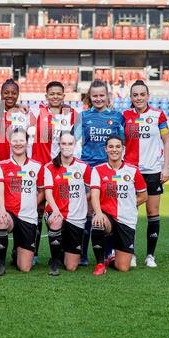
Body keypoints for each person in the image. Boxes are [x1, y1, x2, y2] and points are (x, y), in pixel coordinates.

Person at [75, 80, 125, 265]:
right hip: (89, 171)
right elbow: (72, 140)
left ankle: (108, 252)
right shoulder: (83, 116)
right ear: (90, 97)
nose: (98, 98)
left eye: (101, 95)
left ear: (107, 96)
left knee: (109, 210)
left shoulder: (117, 117)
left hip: (110, 172)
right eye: (94, 95)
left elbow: (123, 143)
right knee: (88, 212)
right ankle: (83, 255)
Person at [29, 81, 80, 264]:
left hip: (62, 169)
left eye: (59, 93)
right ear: (46, 96)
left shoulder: (73, 114)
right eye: (52, 94)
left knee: (62, 207)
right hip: (41, 169)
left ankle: (62, 251)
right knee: (38, 209)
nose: (55, 96)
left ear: (64, 96)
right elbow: (15, 117)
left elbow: (78, 138)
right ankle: (32, 252)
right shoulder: (37, 112)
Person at [123, 80, 169, 267]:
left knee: (152, 212)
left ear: (148, 96)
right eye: (135, 95)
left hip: (152, 171)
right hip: (131, 172)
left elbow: (166, 141)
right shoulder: (125, 115)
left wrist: (165, 168)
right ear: (131, 98)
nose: (139, 98)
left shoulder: (158, 115)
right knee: (129, 212)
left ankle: (150, 255)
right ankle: (131, 253)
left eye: (142, 94)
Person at [90, 135, 148, 275]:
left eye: (117, 146)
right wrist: (98, 212)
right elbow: (95, 195)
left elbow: (143, 196)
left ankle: (110, 259)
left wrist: (127, 205)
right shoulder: (98, 170)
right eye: (111, 146)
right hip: (107, 215)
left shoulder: (133, 170)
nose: (114, 150)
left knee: (123, 267)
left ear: (123, 149)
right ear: (105, 149)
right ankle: (100, 263)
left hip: (126, 218)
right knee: (97, 222)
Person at [0, 79, 30, 264]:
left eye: (14, 92)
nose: (10, 95)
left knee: (16, 205)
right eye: (6, 92)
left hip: (16, 166)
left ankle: (16, 250)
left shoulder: (25, 114)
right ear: (1, 93)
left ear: (18, 95)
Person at [0, 128, 44, 276]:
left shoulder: (37, 166)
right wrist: (2, 210)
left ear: (27, 143)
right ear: (10, 142)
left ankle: (17, 253)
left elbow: (41, 191)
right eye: (15, 140)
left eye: (21, 140)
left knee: (25, 268)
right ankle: (0, 264)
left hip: (28, 216)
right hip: (9, 214)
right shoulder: (1, 165)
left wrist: (33, 204)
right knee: (1, 221)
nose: (18, 143)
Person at [44, 132, 91, 276]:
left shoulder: (83, 167)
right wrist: (57, 211)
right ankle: (55, 261)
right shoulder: (49, 167)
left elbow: (93, 191)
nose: (67, 147)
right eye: (63, 143)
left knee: (71, 267)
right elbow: (48, 193)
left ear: (74, 145)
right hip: (55, 212)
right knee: (56, 221)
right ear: (59, 145)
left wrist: (83, 199)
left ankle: (63, 250)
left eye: (70, 143)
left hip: (76, 216)